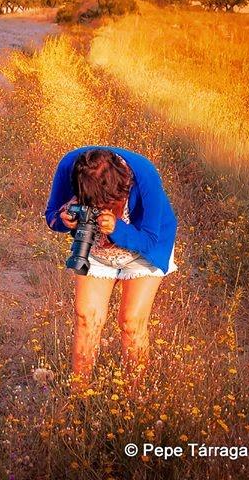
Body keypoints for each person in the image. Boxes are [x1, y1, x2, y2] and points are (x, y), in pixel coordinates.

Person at [43, 146, 178, 391]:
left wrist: (117, 228)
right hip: (96, 249)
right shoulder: (69, 166)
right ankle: (78, 397)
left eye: (106, 203)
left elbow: (149, 238)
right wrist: (63, 219)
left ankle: (132, 399)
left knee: (131, 322)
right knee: (86, 318)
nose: (99, 210)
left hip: (145, 248)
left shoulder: (144, 173)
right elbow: (51, 216)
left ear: (123, 186)